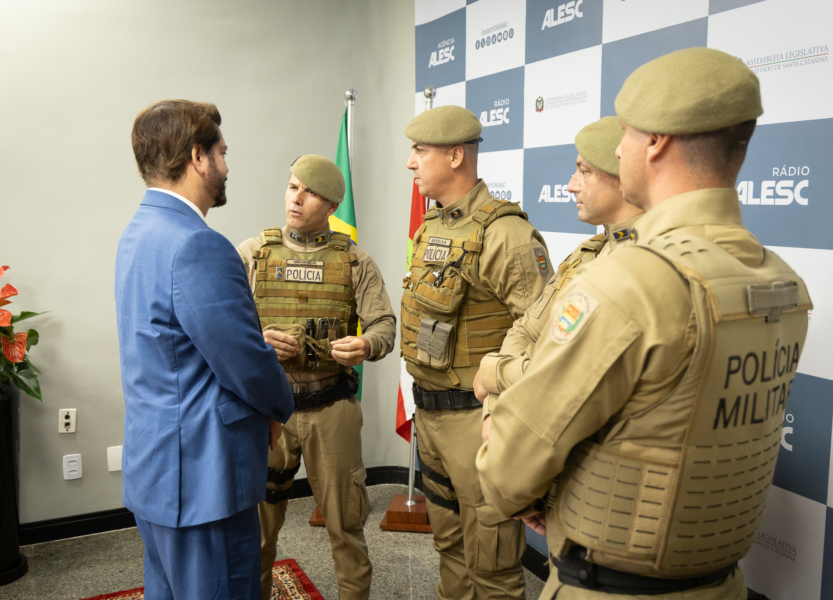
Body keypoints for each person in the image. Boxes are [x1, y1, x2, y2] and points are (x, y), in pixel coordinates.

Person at [476, 47, 813, 600]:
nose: (617, 150)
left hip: (608, 587)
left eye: (625, 136)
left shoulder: (631, 281)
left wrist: (512, 454)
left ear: (655, 142)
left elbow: (508, 471)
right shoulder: (780, 281)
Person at [116, 100, 294, 600]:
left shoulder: (138, 231)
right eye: (222, 153)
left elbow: (176, 343)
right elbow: (244, 364)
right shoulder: (198, 244)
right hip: (203, 480)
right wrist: (278, 406)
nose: (227, 166)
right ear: (198, 157)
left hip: (159, 472)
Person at [400, 105, 552, 600]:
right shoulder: (431, 226)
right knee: (450, 547)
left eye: (420, 151)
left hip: (477, 422)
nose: (411, 162)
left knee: (493, 566)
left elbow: (544, 339)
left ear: (455, 156)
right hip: (430, 417)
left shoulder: (506, 234)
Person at [236, 154, 396, 600]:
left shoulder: (355, 261)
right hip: (269, 410)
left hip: (332, 409)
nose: (296, 198)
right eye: (293, 187)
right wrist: (258, 340)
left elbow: (384, 326)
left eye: (309, 193)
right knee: (257, 533)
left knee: (346, 527)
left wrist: (366, 345)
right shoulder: (252, 254)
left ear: (331, 206)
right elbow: (222, 327)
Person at [474, 116, 643, 444]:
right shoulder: (590, 252)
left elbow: (572, 370)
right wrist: (495, 406)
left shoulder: (646, 262)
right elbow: (526, 329)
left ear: (623, 177)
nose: (571, 185)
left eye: (584, 171)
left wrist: (494, 373)